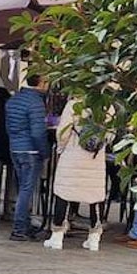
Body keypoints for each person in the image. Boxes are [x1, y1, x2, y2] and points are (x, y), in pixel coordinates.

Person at [43, 97, 107, 251]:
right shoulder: (107, 105)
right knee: (95, 196)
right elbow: (110, 134)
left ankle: (57, 237)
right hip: (96, 158)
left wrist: (60, 148)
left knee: (64, 193)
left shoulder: (74, 104)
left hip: (73, 155)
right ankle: (94, 239)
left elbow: (63, 132)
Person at [5, 74, 50, 241]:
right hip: (31, 151)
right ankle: (19, 228)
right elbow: (38, 132)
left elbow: (8, 127)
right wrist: (45, 152)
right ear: (41, 83)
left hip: (15, 148)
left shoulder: (14, 100)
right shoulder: (36, 103)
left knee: (22, 188)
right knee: (26, 189)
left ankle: (23, 223)